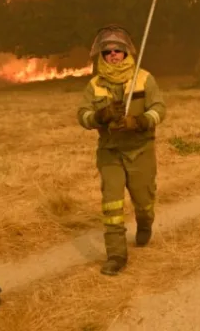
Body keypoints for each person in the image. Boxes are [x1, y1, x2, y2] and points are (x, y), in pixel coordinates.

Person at [77, 24, 167, 276]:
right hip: (110, 152)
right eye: (107, 52)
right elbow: (81, 116)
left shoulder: (144, 78)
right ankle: (116, 254)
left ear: (127, 52)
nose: (113, 55)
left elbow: (159, 109)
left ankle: (145, 222)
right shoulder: (94, 85)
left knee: (144, 200)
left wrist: (139, 122)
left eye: (118, 50)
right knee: (112, 204)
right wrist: (99, 116)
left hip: (140, 150)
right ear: (101, 57)